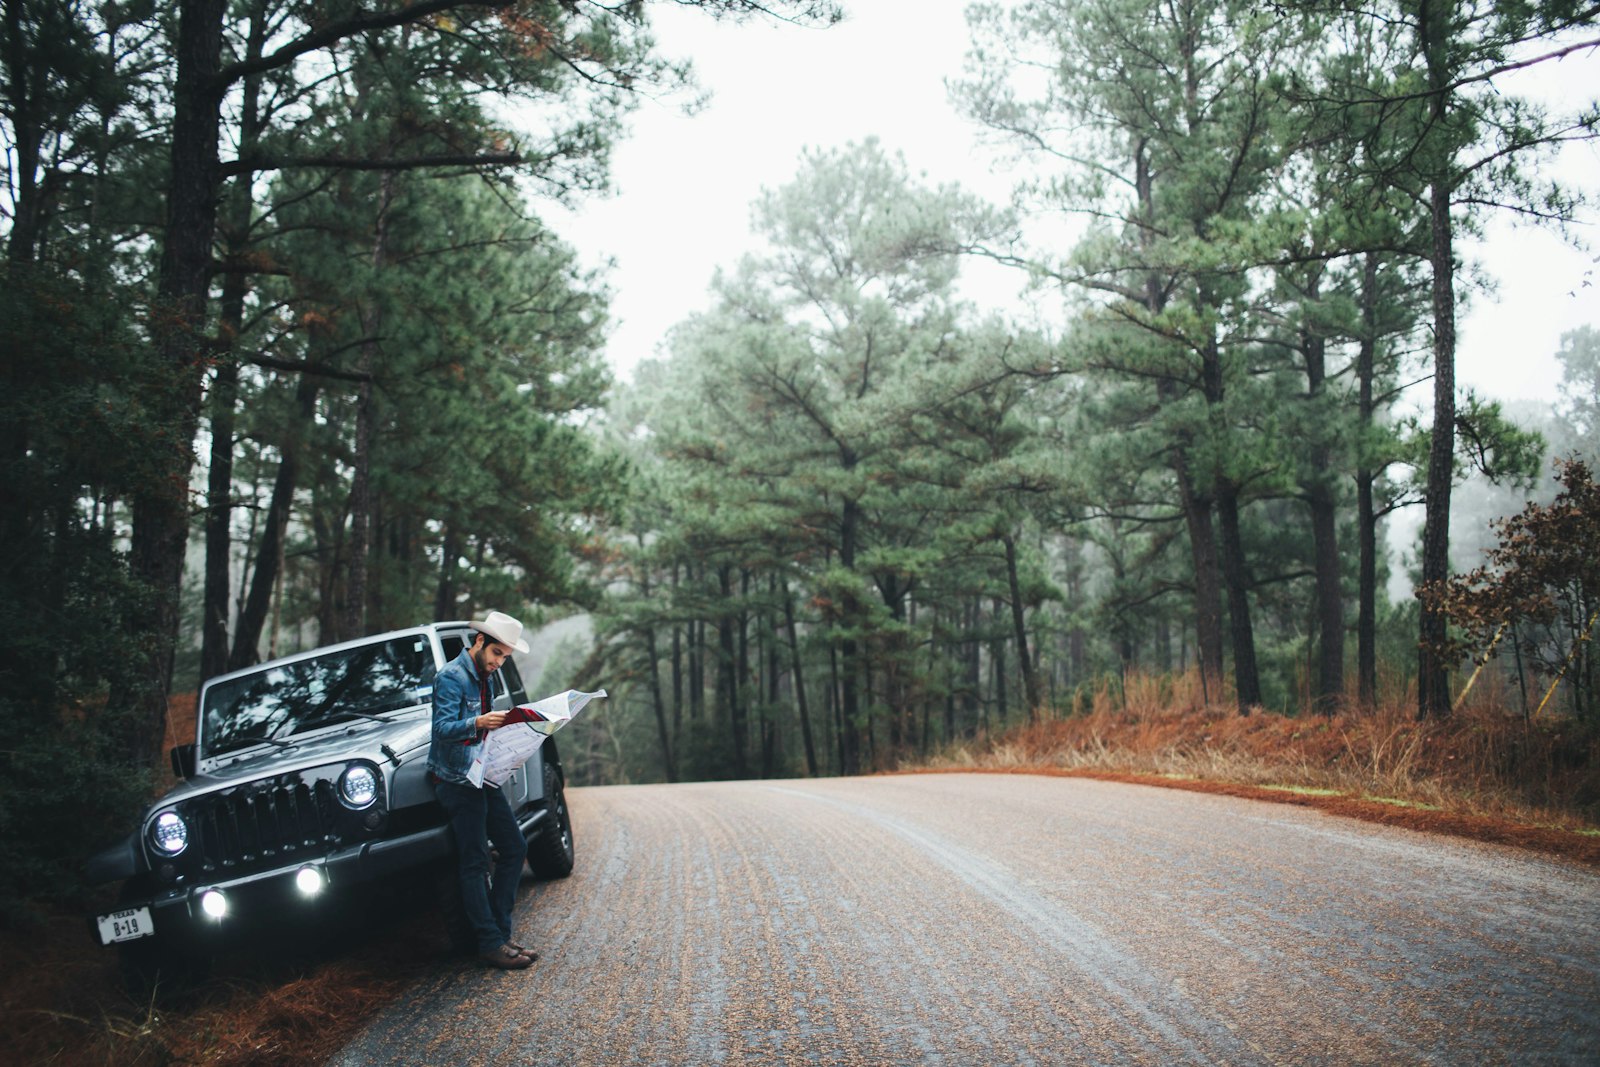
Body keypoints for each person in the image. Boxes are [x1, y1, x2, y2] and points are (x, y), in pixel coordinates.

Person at [429, 610, 536, 970]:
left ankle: (500, 935)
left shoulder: (485, 675)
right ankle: (490, 942)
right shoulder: (451, 677)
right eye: (496, 654)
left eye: (505, 657)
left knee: (514, 846)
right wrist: (477, 721)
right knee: (474, 860)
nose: (499, 662)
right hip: (457, 781)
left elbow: (484, 731)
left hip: (482, 773)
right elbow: (442, 729)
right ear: (479, 642)